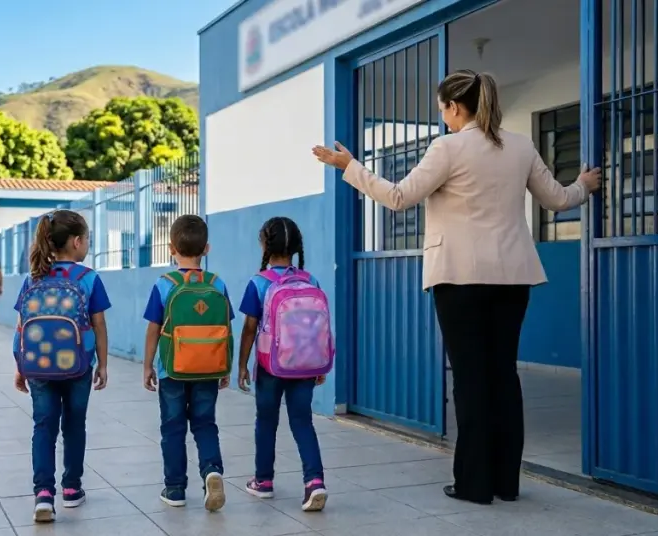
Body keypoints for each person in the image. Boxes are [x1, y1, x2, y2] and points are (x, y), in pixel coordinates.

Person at [313, 69, 602, 505]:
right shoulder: (521, 146)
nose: (442, 116)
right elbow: (559, 200)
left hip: (459, 279)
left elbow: (397, 197)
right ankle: (506, 482)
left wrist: (349, 167)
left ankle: (474, 484)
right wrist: (584, 185)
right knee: (503, 376)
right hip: (512, 278)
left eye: (442, 107)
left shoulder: (447, 148)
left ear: (454, 107)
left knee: (470, 380)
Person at [12, 210, 110, 523]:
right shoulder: (89, 278)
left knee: (43, 426)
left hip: (39, 365)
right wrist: (103, 365)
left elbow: (21, 325)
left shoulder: (33, 278)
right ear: (77, 242)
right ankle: (71, 489)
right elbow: (99, 325)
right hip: (79, 365)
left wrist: (19, 364)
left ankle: (43, 494)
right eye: (87, 241)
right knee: (74, 424)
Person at [237, 217, 328, 511]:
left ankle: (263, 481)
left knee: (266, 420)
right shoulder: (310, 280)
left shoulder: (259, 282)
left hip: (270, 366)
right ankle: (314, 482)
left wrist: (241, 365)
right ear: (297, 246)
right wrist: (320, 363)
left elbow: (250, 327)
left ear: (264, 243)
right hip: (305, 364)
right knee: (303, 421)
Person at [142, 214, 232, 512]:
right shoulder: (217, 283)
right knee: (206, 424)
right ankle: (212, 471)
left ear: (171, 248)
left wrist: (148, 366)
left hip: (172, 370)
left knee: (173, 427)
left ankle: (175, 488)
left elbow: (154, 328)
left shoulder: (164, 285)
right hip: (208, 368)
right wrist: (225, 366)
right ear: (206, 249)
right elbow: (224, 327)